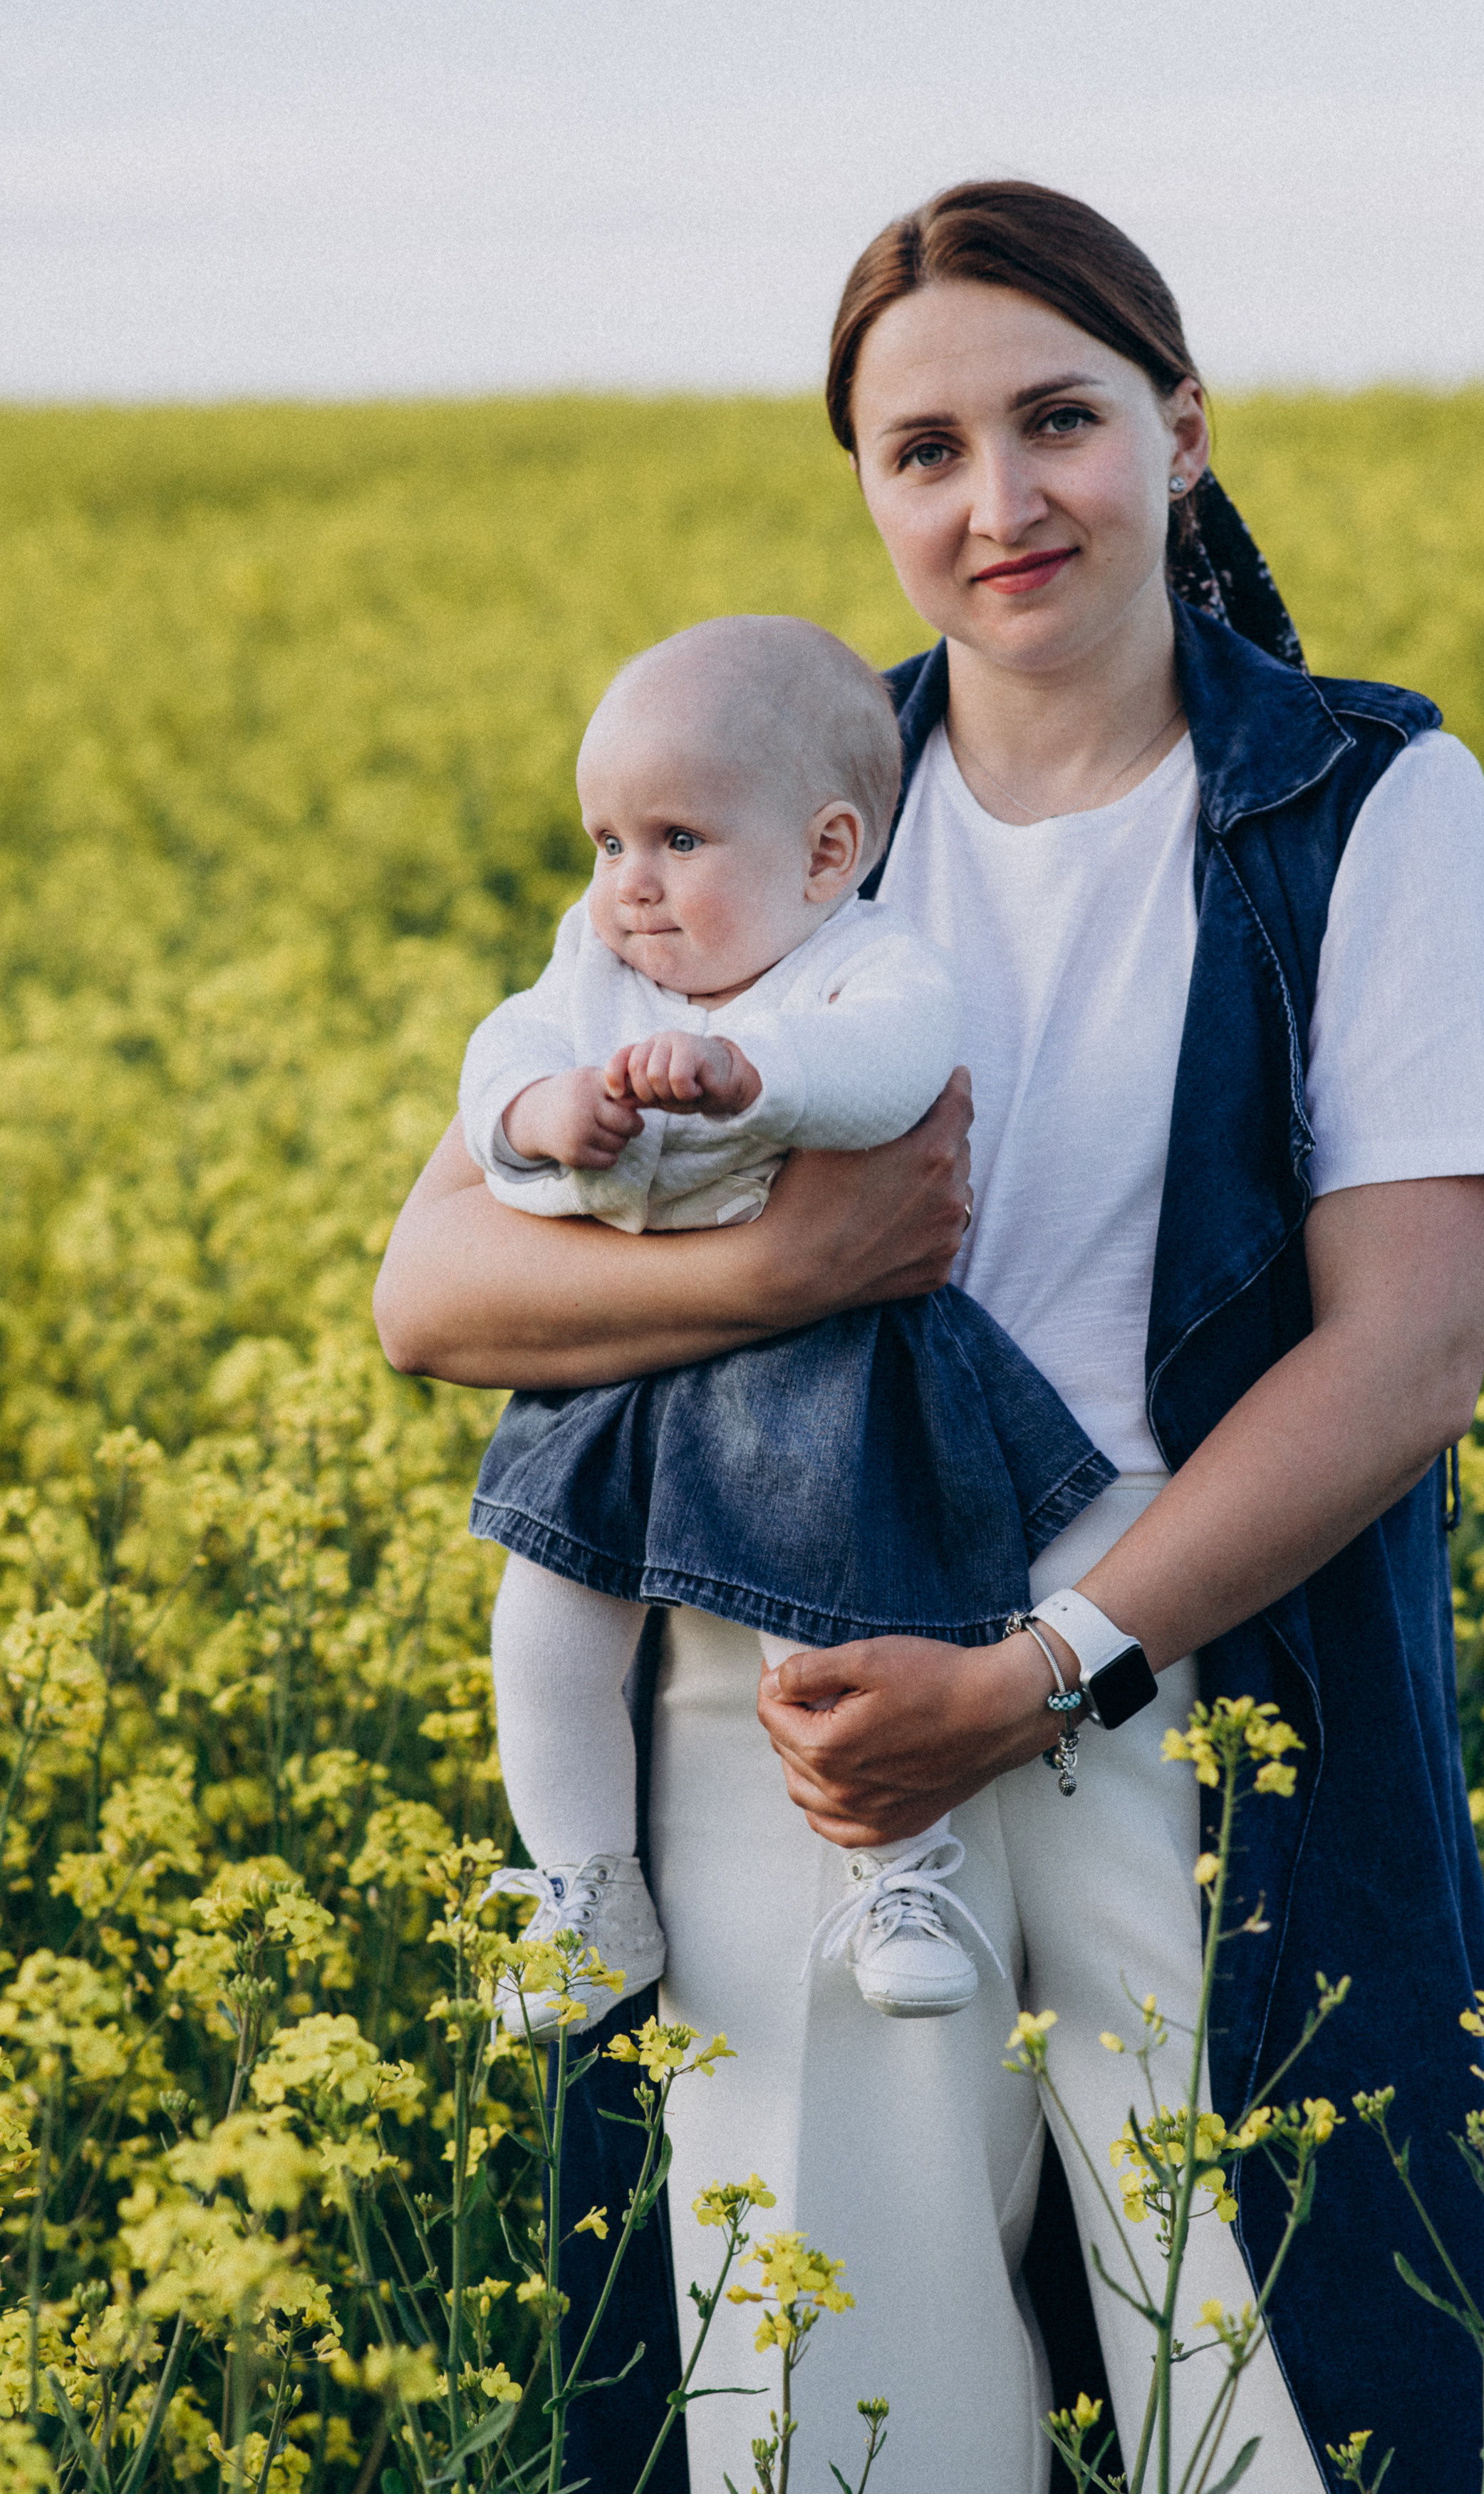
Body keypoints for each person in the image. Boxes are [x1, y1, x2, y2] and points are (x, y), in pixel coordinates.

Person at [374, 180, 1484, 2494]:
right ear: (863, 490)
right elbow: (439, 1286)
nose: (996, 502)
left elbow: (1407, 1357)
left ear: (1182, 429)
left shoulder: (1358, 795)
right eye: (923, 450)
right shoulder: (782, 797)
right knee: (835, 2419)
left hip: (1190, 1677)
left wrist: (1031, 1678)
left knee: (1285, 2400)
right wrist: (790, 1273)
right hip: (794, 1700)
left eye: (1057, 421)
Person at [457, 613, 1111, 2030]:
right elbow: (504, 1045)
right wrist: (534, 1113)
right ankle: (585, 1888)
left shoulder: (862, 964)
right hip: (626, 1361)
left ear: (824, 854)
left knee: (825, 1622)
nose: (629, 885)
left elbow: (889, 1066)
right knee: (544, 1619)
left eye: (677, 840)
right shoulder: (603, 959)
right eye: (605, 841)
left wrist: (748, 1070)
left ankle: (897, 1869)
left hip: (823, 1371)